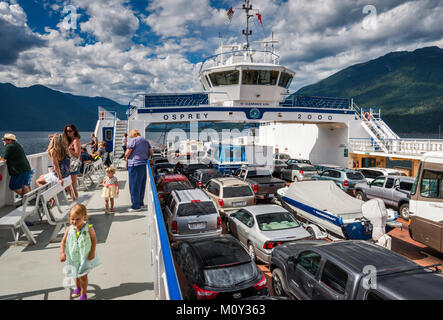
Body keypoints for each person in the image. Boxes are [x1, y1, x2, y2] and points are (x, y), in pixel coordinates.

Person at [60, 204, 100, 300]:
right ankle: (77, 287)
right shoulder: (69, 229)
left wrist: (92, 252)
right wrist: (62, 253)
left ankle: (83, 292)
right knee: (75, 274)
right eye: (72, 219)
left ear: (84, 217)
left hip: (84, 256)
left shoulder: (89, 228)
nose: (74, 221)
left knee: (83, 275)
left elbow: (94, 240)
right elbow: (63, 242)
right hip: (73, 256)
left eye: (78, 219)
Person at [125, 129, 153, 212]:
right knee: (141, 184)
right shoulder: (145, 140)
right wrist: (145, 157)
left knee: (133, 185)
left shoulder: (133, 140)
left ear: (132, 134)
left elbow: (127, 153)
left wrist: (126, 157)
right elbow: (151, 151)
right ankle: (140, 203)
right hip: (142, 164)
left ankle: (136, 206)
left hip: (134, 165)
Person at [64, 124, 82, 199]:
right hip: (68, 165)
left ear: (74, 131)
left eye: (70, 131)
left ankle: (76, 205)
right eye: (67, 131)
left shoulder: (76, 140)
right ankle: (74, 202)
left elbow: (77, 154)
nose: (68, 132)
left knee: (72, 186)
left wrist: (69, 150)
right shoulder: (69, 141)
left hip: (73, 165)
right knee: (68, 186)